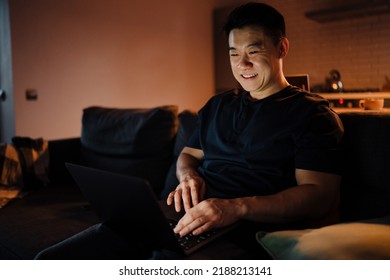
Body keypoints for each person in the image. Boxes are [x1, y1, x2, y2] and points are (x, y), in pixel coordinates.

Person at [36, 2, 343, 260]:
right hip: (186, 220)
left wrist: (235, 208)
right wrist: (188, 176)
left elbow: (318, 196)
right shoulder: (218, 105)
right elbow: (187, 155)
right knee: (50, 261)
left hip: (247, 232)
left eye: (254, 51)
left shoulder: (312, 114)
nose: (242, 64)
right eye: (234, 53)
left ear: (282, 48)